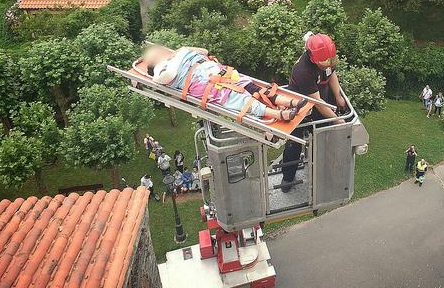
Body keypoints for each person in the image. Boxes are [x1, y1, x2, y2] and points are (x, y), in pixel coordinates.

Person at [143, 45, 306, 121]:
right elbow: (166, 75)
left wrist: (182, 50)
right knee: (237, 98)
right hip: (205, 84)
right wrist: (182, 51)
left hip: (217, 71)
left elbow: (205, 52)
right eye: (155, 53)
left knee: (248, 85)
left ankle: (288, 102)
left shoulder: (178, 54)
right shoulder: (161, 71)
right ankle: (279, 114)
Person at [280, 33, 346, 193]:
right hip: (299, 107)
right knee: (294, 144)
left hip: (319, 100)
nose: (327, 65)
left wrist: (338, 96)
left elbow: (331, 75)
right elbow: (317, 103)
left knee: (323, 138)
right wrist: (338, 120)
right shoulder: (302, 70)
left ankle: (322, 173)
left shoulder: (326, 58)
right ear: (312, 57)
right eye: (324, 62)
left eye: (330, 61)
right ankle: (288, 177)